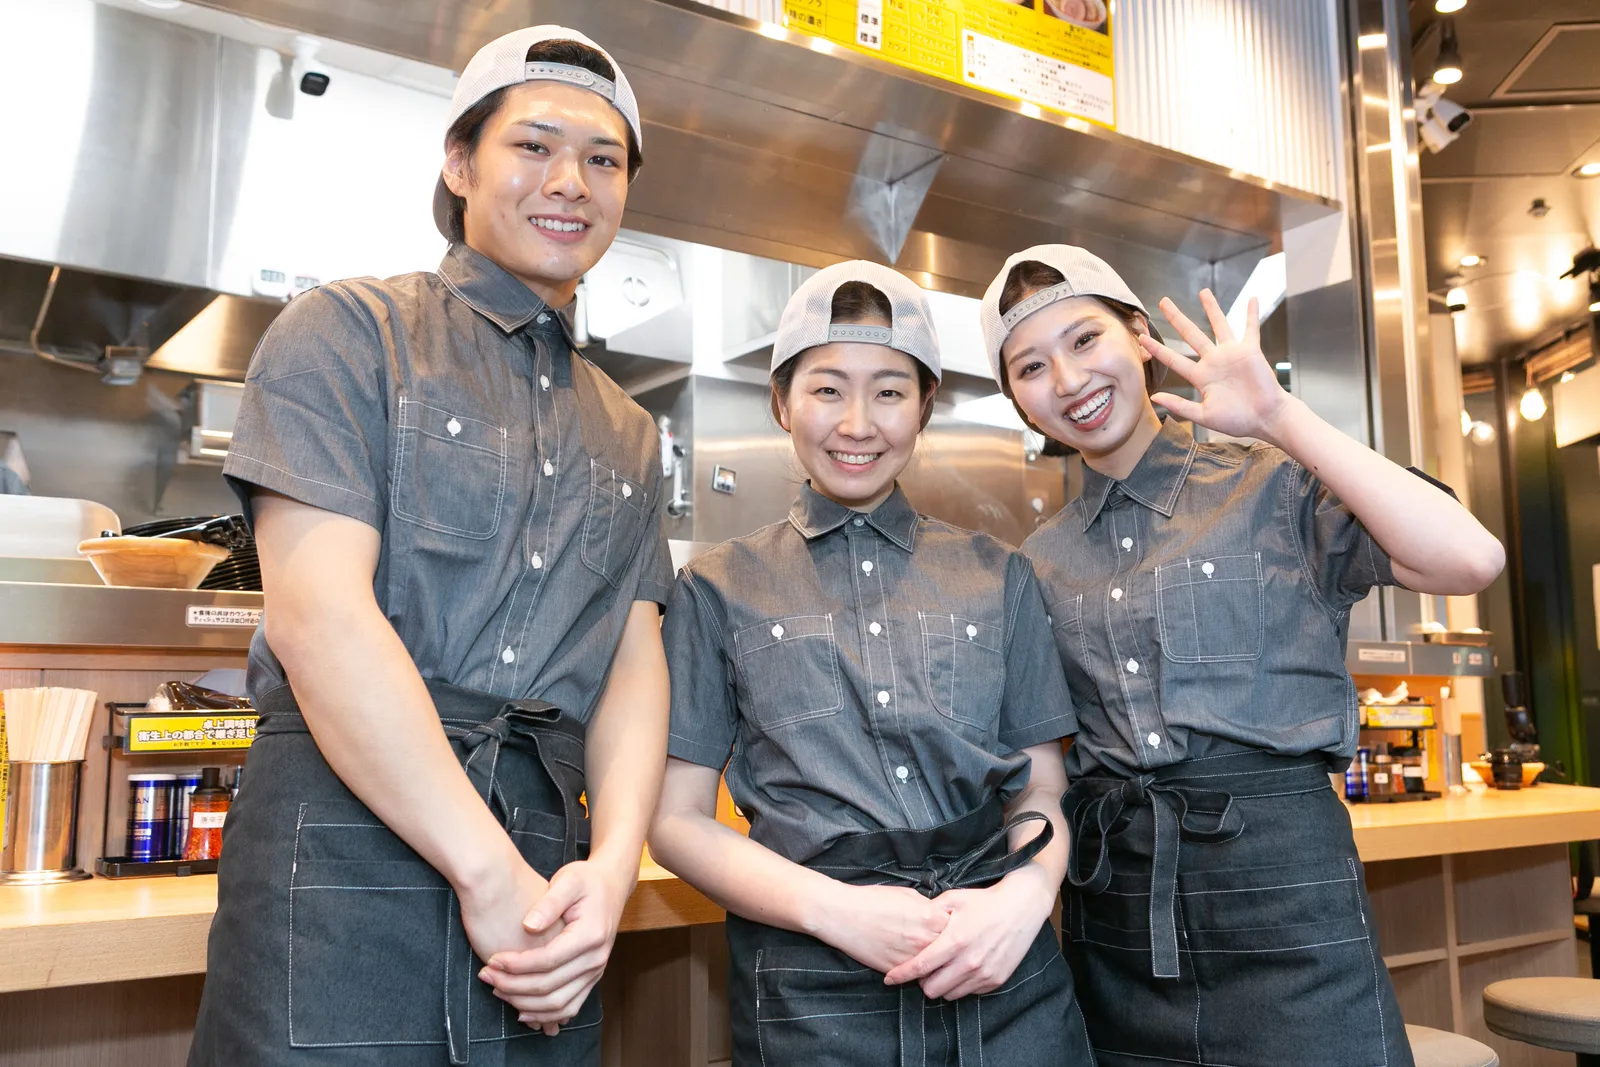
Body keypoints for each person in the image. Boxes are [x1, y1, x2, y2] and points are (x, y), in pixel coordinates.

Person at [189, 26, 671, 1067]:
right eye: (533, 147)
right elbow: (318, 616)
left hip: (550, 867)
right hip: (343, 835)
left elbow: (632, 658)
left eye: (602, 160)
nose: (570, 182)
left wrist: (614, 864)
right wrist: (485, 872)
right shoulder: (347, 331)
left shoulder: (631, 428)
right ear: (459, 165)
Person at [980, 244, 1505, 1067]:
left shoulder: (1271, 481)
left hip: (1289, 901)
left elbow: (1469, 560)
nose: (1069, 379)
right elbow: (1041, 768)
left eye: (1085, 340)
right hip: (1115, 916)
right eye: (1031, 366)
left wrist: (1279, 416)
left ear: (1140, 335)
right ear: (1016, 397)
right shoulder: (1037, 561)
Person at [648, 261, 1096, 1066]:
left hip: (995, 955)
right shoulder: (715, 588)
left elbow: (1043, 785)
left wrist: (1028, 895)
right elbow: (676, 821)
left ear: (925, 407)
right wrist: (835, 911)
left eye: (890, 391)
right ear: (781, 402)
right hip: (812, 977)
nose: (858, 422)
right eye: (827, 389)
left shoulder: (1001, 573)